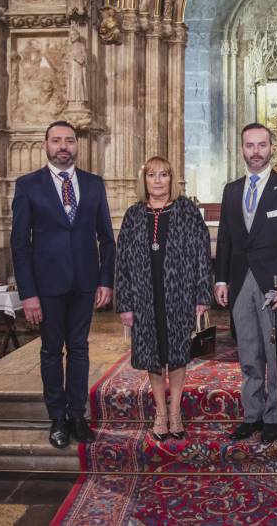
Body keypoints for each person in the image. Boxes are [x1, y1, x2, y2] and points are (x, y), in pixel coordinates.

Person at [11, 120, 115, 449]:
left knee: (80, 349)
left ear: (77, 145)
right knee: (52, 351)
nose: (63, 146)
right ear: (46, 145)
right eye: (56, 140)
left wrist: (105, 281)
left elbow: (107, 239)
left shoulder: (93, 184)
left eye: (69, 140)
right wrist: (28, 294)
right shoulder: (29, 185)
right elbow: (20, 245)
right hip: (47, 285)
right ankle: (56, 417)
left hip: (84, 282)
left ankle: (77, 415)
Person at [214, 123, 277, 444]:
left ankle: (274, 415)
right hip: (241, 282)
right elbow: (225, 238)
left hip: (275, 283)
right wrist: (221, 278)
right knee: (249, 351)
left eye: (262, 145)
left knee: (274, 352)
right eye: (250, 145)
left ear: (271, 148)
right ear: (242, 148)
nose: (256, 151)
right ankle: (252, 414)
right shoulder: (231, 190)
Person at [115, 156, 212, 441]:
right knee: (153, 357)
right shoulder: (133, 215)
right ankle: (160, 412)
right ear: (144, 180)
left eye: (164, 174)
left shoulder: (187, 211)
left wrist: (201, 294)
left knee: (178, 355)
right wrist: (125, 304)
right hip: (144, 297)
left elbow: (202, 255)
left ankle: (176, 412)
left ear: (172, 179)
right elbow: (121, 262)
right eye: (152, 175)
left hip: (180, 295)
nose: (158, 180)